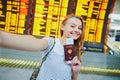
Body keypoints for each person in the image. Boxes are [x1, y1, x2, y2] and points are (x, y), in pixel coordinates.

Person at [0, 14, 85, 80]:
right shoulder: (52, 43)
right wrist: (2, 38)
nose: (77, 30)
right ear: (62, 26)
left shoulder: (76, 50)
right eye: (72, 26)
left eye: (80, 28)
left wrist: (75, 72)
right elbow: (35, 42)